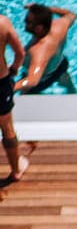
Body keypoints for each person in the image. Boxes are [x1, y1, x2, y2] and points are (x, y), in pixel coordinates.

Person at [20, 4, 76, 95]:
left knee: (24, 96)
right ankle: (73, 92)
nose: (24, 22)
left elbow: (32, 80)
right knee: (66, 82)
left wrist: (10, 88)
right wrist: (46, 10)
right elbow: (71, 14)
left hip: (42, 79)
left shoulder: (39, 50)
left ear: (39, 28)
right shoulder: (60, 25)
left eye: (28, 21)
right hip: (60, 66)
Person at [0, 12, 29, 183]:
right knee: (6, 127)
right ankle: (15, 171)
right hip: (0, 83)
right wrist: (14, 70)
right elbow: (20, 53)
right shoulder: (2, 23)